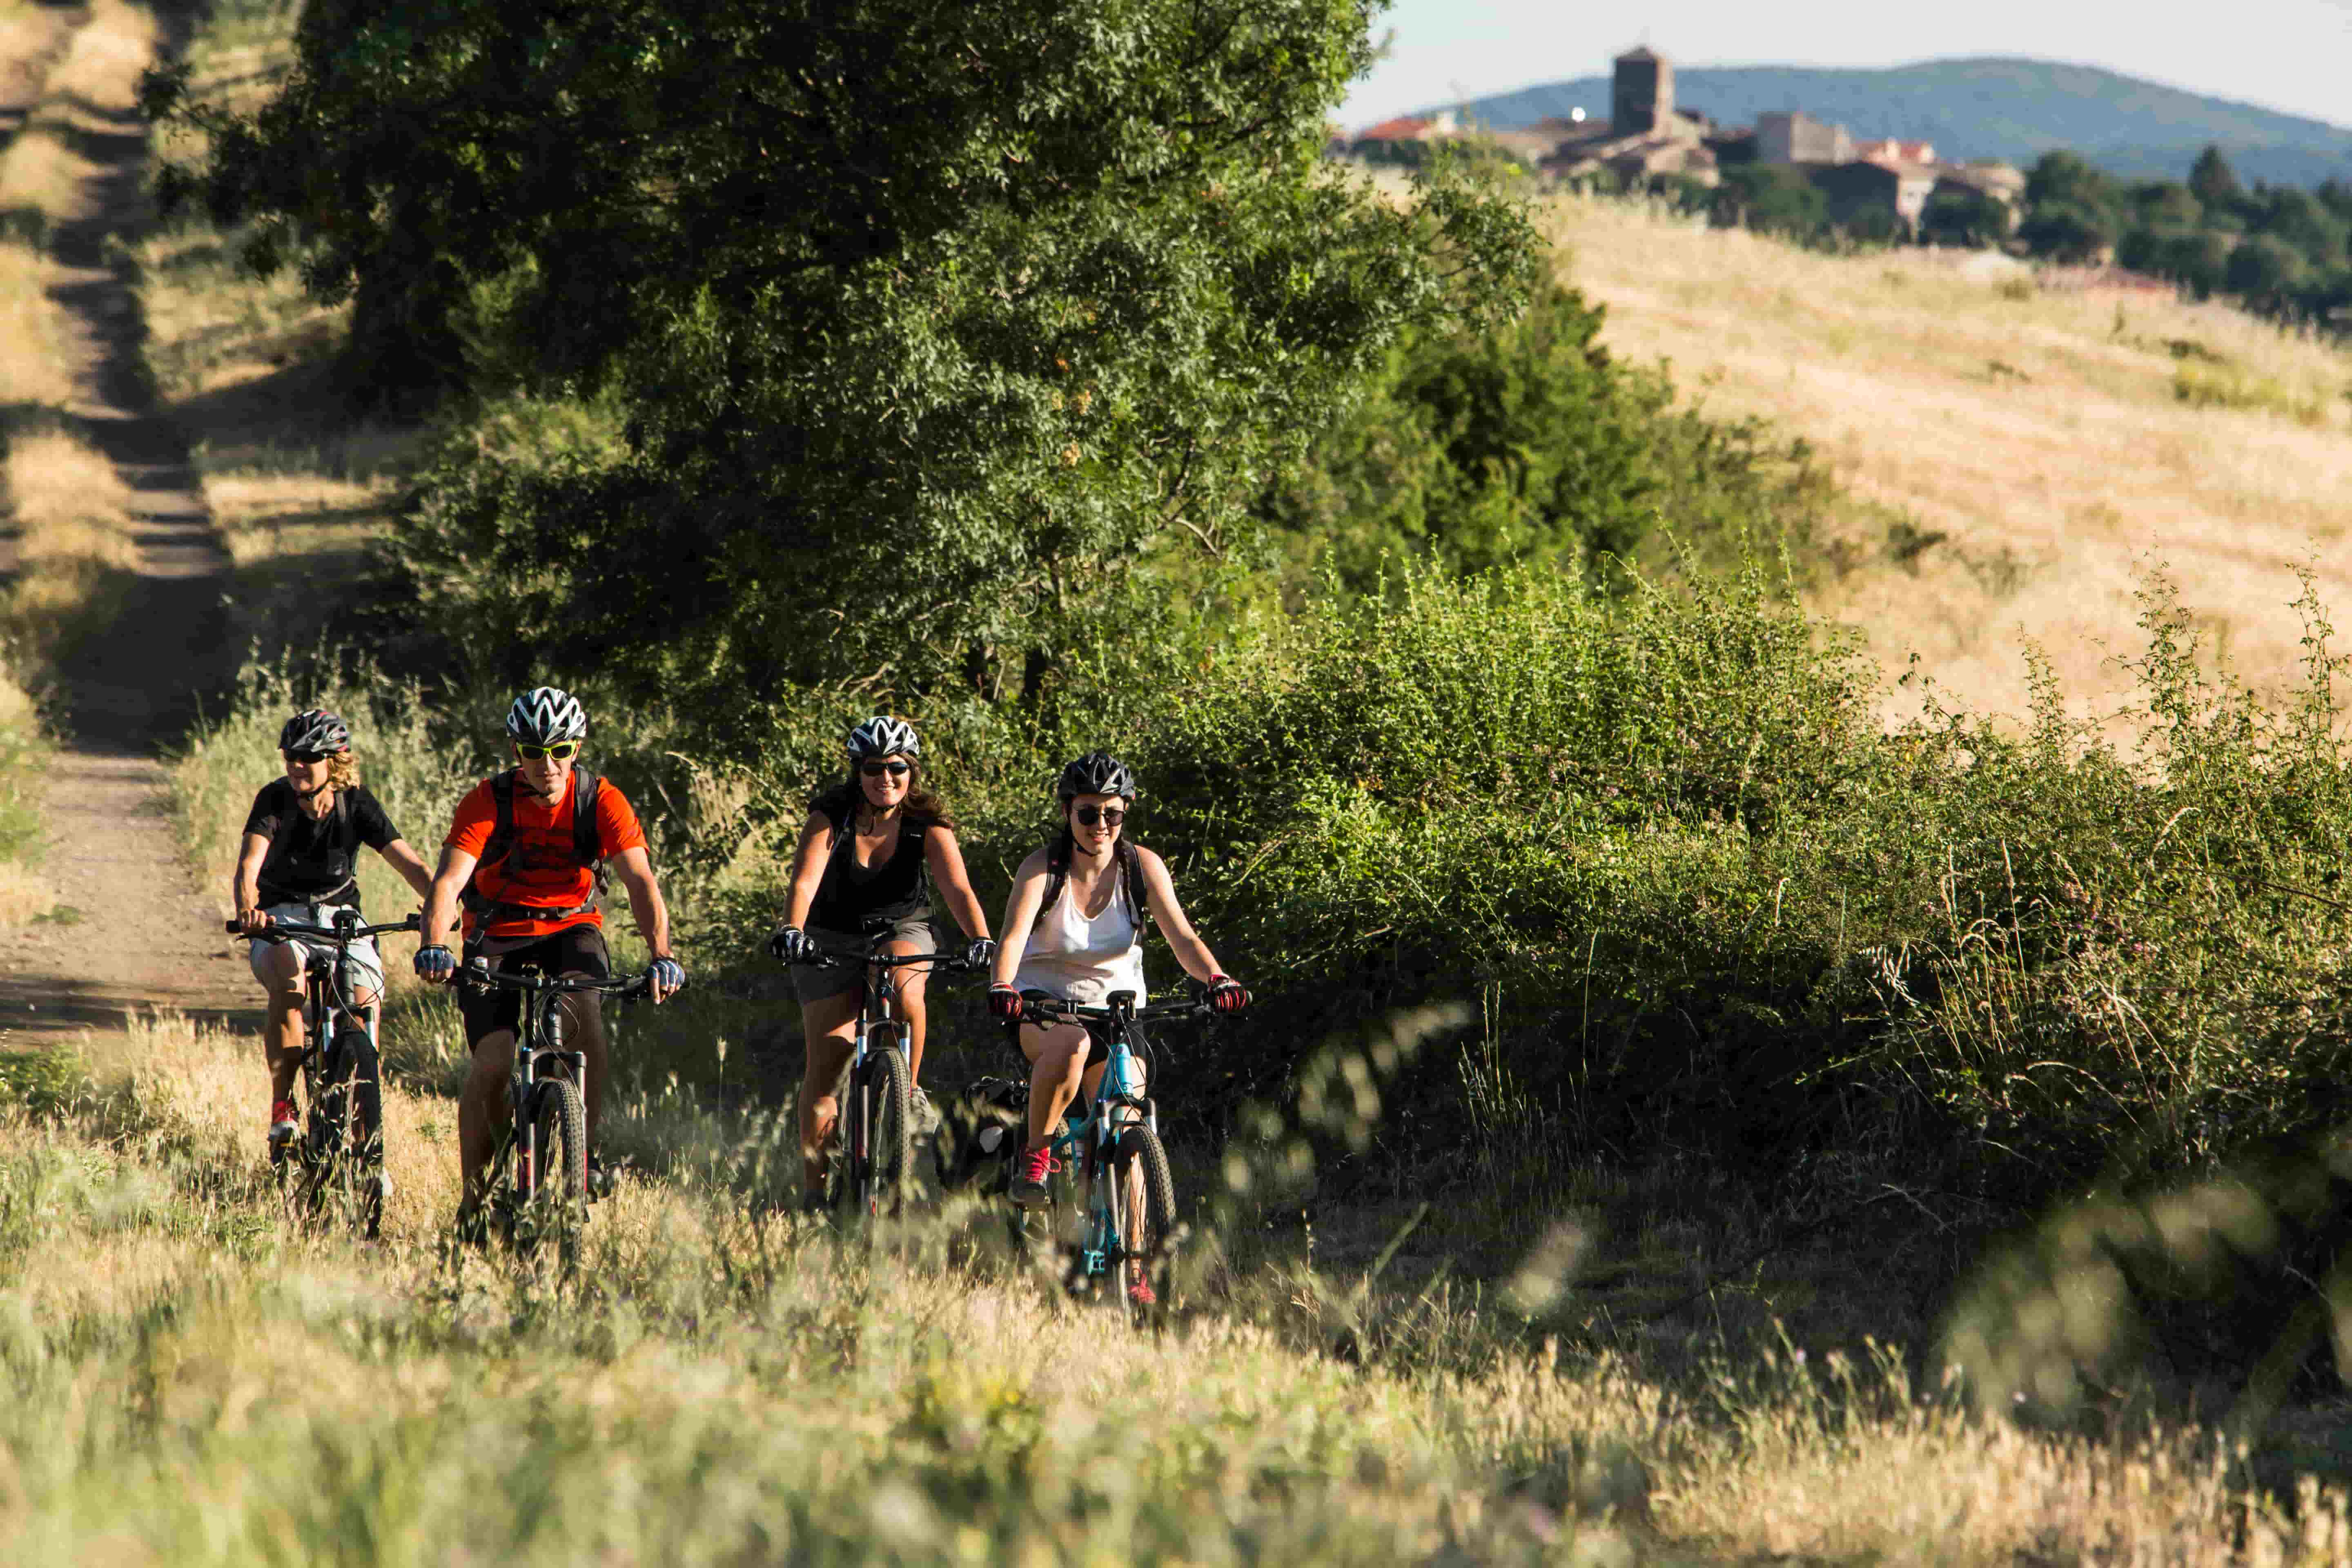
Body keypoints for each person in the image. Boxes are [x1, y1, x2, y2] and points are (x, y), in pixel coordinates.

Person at [411, 686, 685, 1218]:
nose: (548, 763)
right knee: (493, 1062)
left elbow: (640, 882)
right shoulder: (489, 800)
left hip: (570, 928)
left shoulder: (600, 799)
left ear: (577, 748)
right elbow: (448, 883)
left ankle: (585, 1151)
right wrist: (434, 946)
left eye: (561, 750)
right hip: (496, 929)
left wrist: (663, 954)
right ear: (517, 752)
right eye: (534, 751)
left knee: (585, 1017)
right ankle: (475, 1196)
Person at [987, 751, 1249, 1231]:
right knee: (1072, 1045)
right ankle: (1038, 1159)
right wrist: (1003, 986)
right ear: (1068, 812)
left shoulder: (1140, 867)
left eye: (1113, 813)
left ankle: (1136, 1267)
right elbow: (1012, 937)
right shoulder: (1043, 868)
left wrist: (1217, 978)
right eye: (1088, 813)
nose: (1100, 824)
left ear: (1126, 812)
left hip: (1118, 1013)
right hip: (1043, 1006)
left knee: (1129, 1129)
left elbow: (1183, 937)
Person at [767, 716, 994, 1203]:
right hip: (828, 935)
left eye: (897, 767)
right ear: (857, 770)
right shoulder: (832, 815)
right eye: (874, 768)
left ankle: (907, 1094)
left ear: (911, 771)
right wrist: (792, 930)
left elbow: (958, 889)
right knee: (826, 1066)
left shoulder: (927, 824)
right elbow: (804, 882)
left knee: (902, 985)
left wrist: (981, 938)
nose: (885, 778)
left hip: (902, 928)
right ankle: (814, 1194)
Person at [233, 709, 437, 1148]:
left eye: (308, 756)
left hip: (340, 917)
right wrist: (249, 910)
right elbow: (248, 867)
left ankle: (368, 1137)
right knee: (288, 980)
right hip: (281, 917)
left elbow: (411, 864)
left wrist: (440, 906)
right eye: (290, 755)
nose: (296, 765)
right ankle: (283, 1108)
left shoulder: (356, 803)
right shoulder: (275, 799)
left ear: (336, 760)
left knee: (365, 1011)